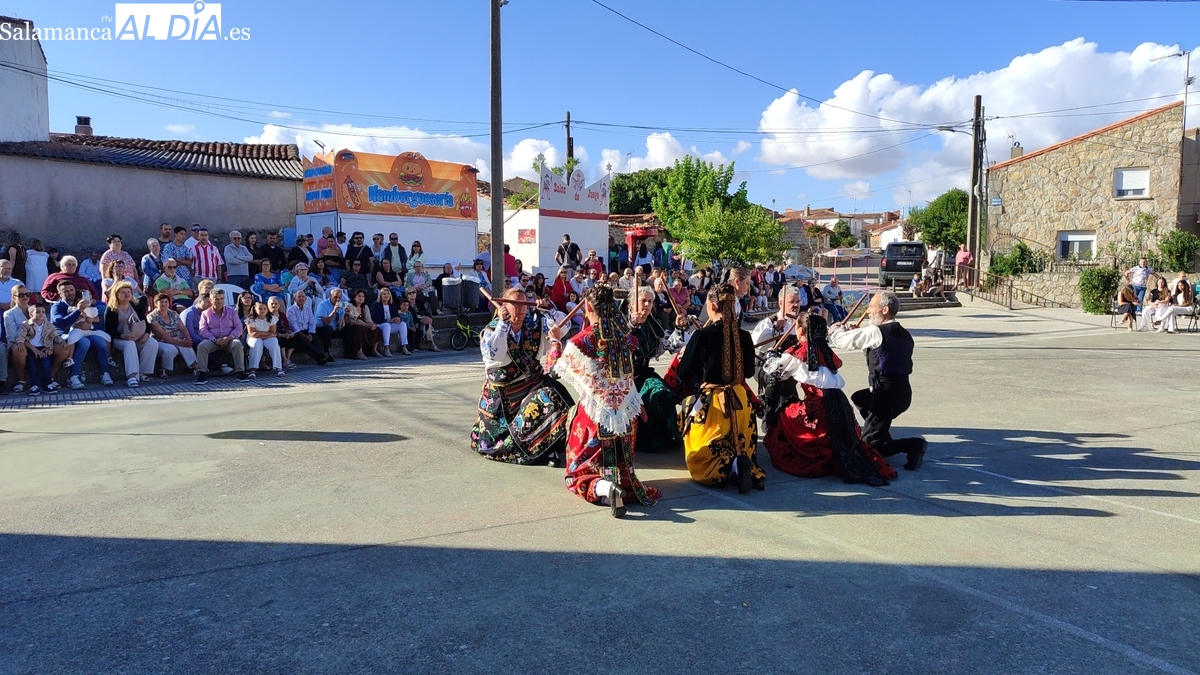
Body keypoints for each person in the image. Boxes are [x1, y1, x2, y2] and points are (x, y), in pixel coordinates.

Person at [551, 284, 659, 517]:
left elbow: (555, 368)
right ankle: (617, 484)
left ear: (588, 307)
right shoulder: (626, 338)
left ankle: (606, 488)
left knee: (578, 473)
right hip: (627, 414)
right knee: (621, 466)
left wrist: (555, 342)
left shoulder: (583, 340)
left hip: (595, 415)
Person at [759, 312, 896, 486]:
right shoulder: (826, 351)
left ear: (800, 330)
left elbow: (775, 372)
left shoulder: (797, 352)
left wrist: (771, 355)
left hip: (818, 405)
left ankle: (799, 452)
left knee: (784, 414)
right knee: (846, 442)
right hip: (840, 403)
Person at [676, 283, 765, 493]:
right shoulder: (744, 336)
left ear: (712, 306)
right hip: (740, 400)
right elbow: (748, 372)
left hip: (714, 404)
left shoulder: (702, 335)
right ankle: (739, 463)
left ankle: (728, 467)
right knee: (739, 438)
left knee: (687, 415)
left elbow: (683, 373)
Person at [471, 287, 573, 465]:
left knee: (557, 395)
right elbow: (495, 354)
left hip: (532, 384)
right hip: (503, 397)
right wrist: (503, 324)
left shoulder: (534, 325)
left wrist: (549, 310)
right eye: (515, 305)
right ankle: (532, 449)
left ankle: (550, 447)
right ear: (504, 306)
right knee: (547, 399)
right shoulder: (492, 331)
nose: (520, 309)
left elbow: (562, 328)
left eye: (523, 305)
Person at [827, 290, 927, 470]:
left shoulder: (875, 331)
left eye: (872, 307)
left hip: (884, 395)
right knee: (860, 398)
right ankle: (879, 431)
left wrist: (836, 329)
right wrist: (857, 333)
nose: (868, 311)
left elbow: (842, 342)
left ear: (885, 310)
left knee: (868, 447)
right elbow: (878, 353)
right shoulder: (905, 334)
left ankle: (913, 445)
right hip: (902, 393)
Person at [629, 286, 691, 453]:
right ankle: (640, 440)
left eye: (650, 301)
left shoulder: (652, 327)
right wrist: (631, 326)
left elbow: (668, 347)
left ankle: (662, 438)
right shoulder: (620, 324)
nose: (647, 304)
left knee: (662, 392)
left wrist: (678, 328)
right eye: (643, 301)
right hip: (622, 377)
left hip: (643, 374)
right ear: (632, 304)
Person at [51, 280, 114, 389]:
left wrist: (92, 306)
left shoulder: (81, 300)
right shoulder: (58, 306)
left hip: (87, 332)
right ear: (60, 294)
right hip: (65, 335)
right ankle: (73, 376)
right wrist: (78, 311)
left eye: (71, 290)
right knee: (85, 343)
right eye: (66, 291)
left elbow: (98, 310)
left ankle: (105, 373)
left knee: (101, 342)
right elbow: (62, 323)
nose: (70, 293)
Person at [104, 280, 159, 387]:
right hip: (120, 338)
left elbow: (145, 322)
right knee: (130, 344)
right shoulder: (111, 309)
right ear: (116, 294)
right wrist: (123, 336)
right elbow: (109, 330)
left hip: (136, 335)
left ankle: (143, 372)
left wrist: (146, 334)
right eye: (123, 292)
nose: (127, 294)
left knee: (152, 343)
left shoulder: (136, 305)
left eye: (128, 292)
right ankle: (132, 376)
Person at [195, 289, 247, 384]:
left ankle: (240, 372)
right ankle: (202, 373)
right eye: (217, 299)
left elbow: (239, 327)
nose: (219, 301)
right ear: (211, 300)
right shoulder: (205, 314)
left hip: (229, 339)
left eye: (222, 299)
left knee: (237, 344)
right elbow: (202, 329)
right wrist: (214, 339)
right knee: (202, 346)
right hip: (213, 340)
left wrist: (229, 337)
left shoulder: (232, 312)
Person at [13, 304, 65, 395]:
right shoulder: (26, 325)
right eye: (38, 312)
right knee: (32, 366)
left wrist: (61, 341)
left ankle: (48, 384)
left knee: (46, 365)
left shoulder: (48, 325)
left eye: (43, 312)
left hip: (43, 348)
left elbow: (54, 336)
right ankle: (34, 386)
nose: (41, 314)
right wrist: (20, 342)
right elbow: (21, 336)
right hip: (31, 348)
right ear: (31, 314)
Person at [147, 292, 196, 377]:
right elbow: (161, 334)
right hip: (160, 342)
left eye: (166, 302)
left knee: (186, 345)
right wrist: (179, 343)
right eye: (161, 302)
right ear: (156, 304)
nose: (164, 304)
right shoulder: (152, 316)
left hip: (176, 340)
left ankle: (196, 367)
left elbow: (182, 328)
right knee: (171, 349)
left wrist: (188, 339)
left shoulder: (173, 313)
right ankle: (163, 369)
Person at [281, 291, 328, 365]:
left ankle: (321, 357)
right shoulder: (291, 310)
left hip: (307, 331)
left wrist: (310, 333)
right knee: (303, 341)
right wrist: (305, 336)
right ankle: (321, 354)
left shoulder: (307, 309)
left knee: (315, 337)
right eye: (299, 297)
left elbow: (312, 322)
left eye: (303, 297)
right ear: (295, 299)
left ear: (305, 299)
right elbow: (294, 326)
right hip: (297, 333)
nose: (301, 298)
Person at [245, 300, 284, 377]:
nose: (262, 311)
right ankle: (252, 369)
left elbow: (273, 333)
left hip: (268, 337)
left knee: (274, 345)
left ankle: (278, 368)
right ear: (255, 309)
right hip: (254, 338)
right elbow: (252, 334)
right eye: (260, 309)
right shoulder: (250, 320)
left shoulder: (272, 318)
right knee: (256, 344)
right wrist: (266, 334)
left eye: (264, 308)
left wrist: (259, 333)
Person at [314, 287, 347, 361]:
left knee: (349, 327)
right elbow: (325, 322)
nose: (337, 299)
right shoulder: (323, 304)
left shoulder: (341, 304)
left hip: (335, 328)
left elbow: (343, 320)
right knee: (328, 328)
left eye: (339, 298)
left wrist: (347, 314)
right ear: (330, 296)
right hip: (322, 329)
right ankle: (326, 352)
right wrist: (334, 311)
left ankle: (349, 351)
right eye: (335, 297)